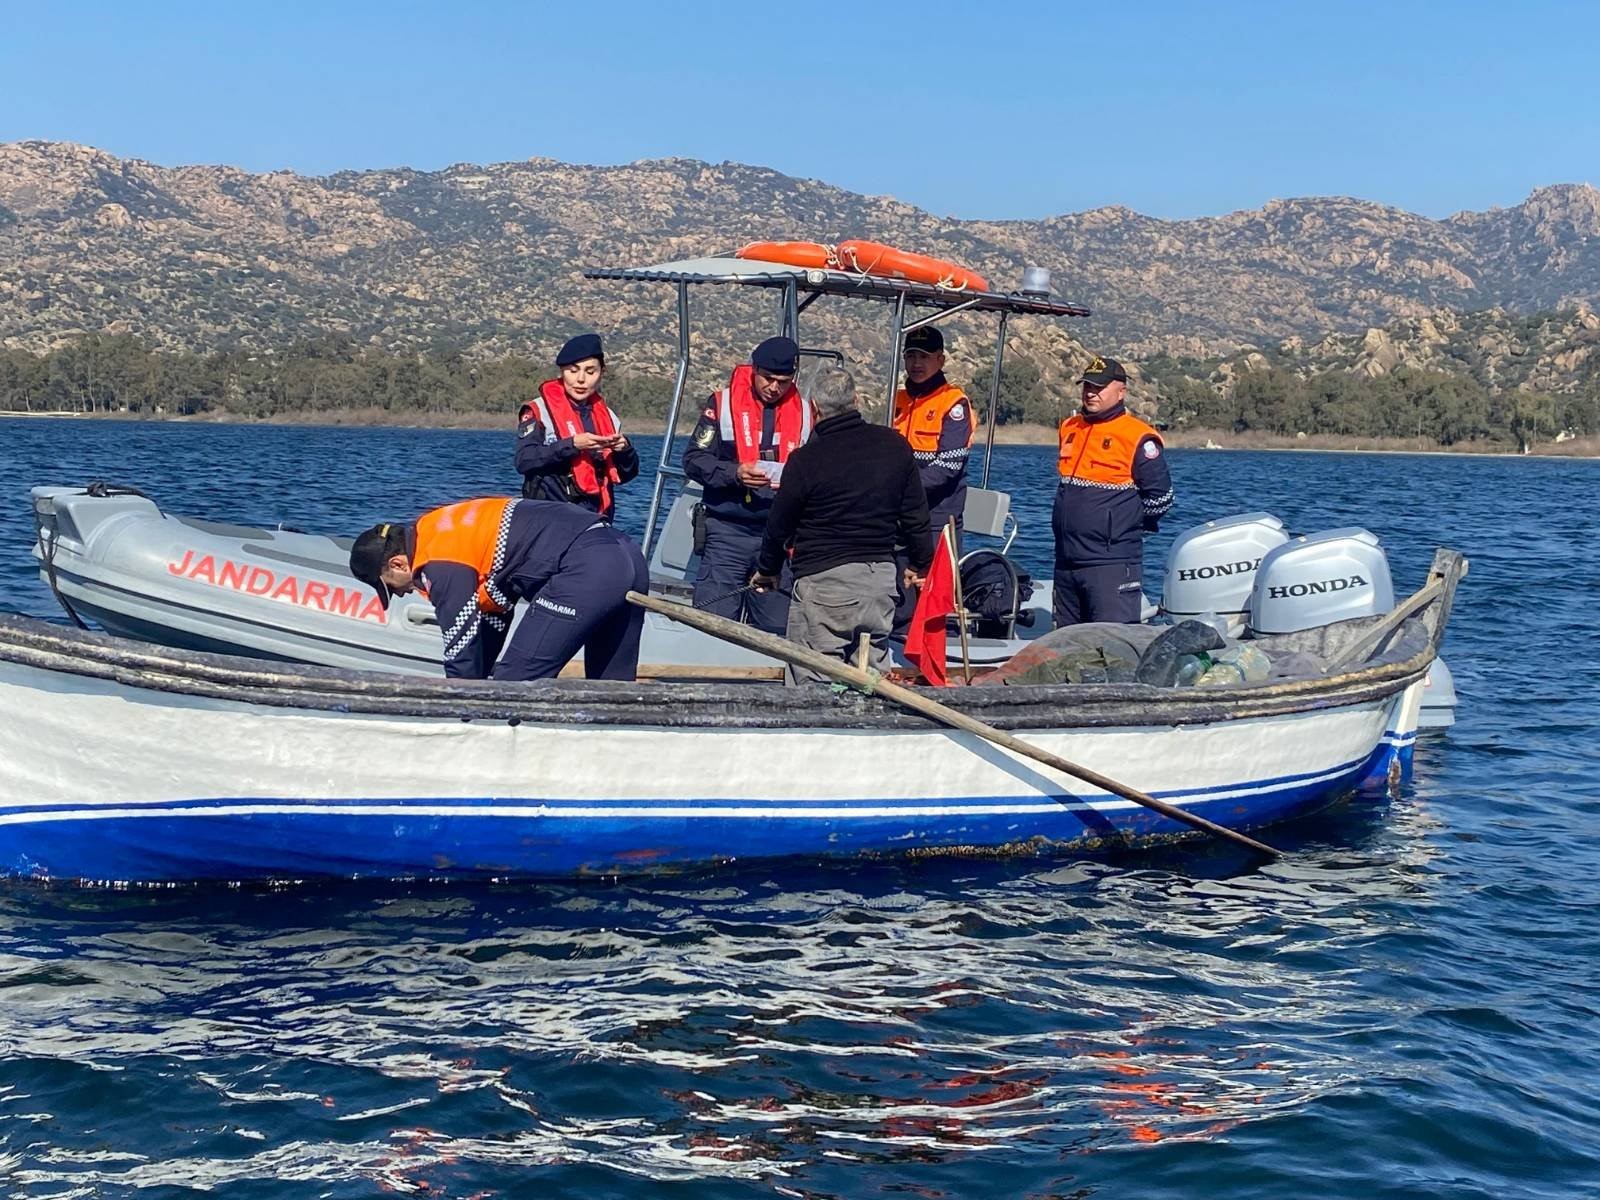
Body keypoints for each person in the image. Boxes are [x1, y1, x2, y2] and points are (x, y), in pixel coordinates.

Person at [752, 365, 935, 684]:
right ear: (857, 400)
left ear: (814, 408)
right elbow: (916, 516)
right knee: (872, 682)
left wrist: (768, 570)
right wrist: (920, 563)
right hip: (879, 584)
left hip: (825, 588)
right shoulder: (895, 446)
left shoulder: (805, 461)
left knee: (814, 682)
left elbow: (778, 527)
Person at [348, 496, 648, 682]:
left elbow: (461, 647)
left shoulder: (438, 561)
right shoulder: (438, 527)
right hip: (626, 554)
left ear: (399, 564)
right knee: (610, 686)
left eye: (391, 586)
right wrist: (478, 678)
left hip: (587, 567)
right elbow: (493, 615)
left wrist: (461, 714)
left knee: (514, 682)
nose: (403, 593)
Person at [681, 335, 814, 634]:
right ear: (754, 370)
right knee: (710, 627)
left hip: (778, 541)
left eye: (783, 380)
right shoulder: (721, 404)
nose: (774, 387)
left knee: (777, 632)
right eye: (768, 378)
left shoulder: (807, 414)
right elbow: (693, 460)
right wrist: (735, 473)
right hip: (727, 534)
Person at [1051, 356, 1174, 627]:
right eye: (1086, 386)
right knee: (1065, 647)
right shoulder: (1069, 428)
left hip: (1111, 563)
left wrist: (1120, 524)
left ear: (1121, 392)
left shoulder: (1138, 436)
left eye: (1099, 387)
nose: (1090, 392)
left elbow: (1161, 499)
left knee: (1112, 647)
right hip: (1066, 561)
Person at [890, 325, 973, 632]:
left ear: (940, 359)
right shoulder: (895, 399)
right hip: (899, 519)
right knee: (899, 602)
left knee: (934, 609)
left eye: (924, 357)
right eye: (911, 355)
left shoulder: (953, 404)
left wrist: (899, 489)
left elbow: (948, 467)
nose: (916, 363)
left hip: (938, 521)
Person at [515, 333, 639, 522]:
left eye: (590, 372)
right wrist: (572, 445)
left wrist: (625, 450)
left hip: (595, 520)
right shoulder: (537, 411)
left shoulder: (610, 417)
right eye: (573, 371)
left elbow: (625, 475)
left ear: (601, 373)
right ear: (562, 371)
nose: (581, 379)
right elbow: (524, 460)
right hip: (547, 518)